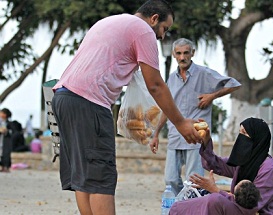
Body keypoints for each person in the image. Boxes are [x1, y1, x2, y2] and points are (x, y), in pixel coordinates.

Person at [50, 1, 202, 214]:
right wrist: (181, 123)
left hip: (64, 97)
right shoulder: (143, 31)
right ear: (154, 18)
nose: (162, 36)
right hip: (89, 102)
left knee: (84, 177)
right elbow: (156, 85)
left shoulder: (109, 22)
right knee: (101, 177)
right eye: (164, 29)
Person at [149, 38, 241, 195]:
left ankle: (191, 207)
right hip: (175, 136)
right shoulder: (171, 79)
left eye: (186, 53)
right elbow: (166, 108)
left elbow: (234, 84)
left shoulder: (204, 73)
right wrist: (156, 134)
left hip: (196, 137)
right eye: (178, 53)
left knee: (193, 181)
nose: (182, 57)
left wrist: (211, 96)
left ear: (193, 53)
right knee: (170, 180)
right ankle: (182, 205)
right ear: (174, 55)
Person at [169, 117, 273, 214]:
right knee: (179, 207)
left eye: (244, 133)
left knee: (215, 200)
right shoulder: (245, 160)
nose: (240, 138)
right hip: (237, 208)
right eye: (240, 133)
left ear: (257, 139)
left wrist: (215, 190)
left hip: (251, 212)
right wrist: (206, 140)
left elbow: (252, 206)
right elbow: (216, 164)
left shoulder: (269, 168)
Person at [0, 108, 13, 173]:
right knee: (1, 153)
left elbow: (11, 131)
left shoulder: (9, 123)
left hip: (6, 140)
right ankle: (2, 166)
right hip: (1, 139)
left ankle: (6, 167)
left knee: (6, 153)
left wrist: (6, 131)